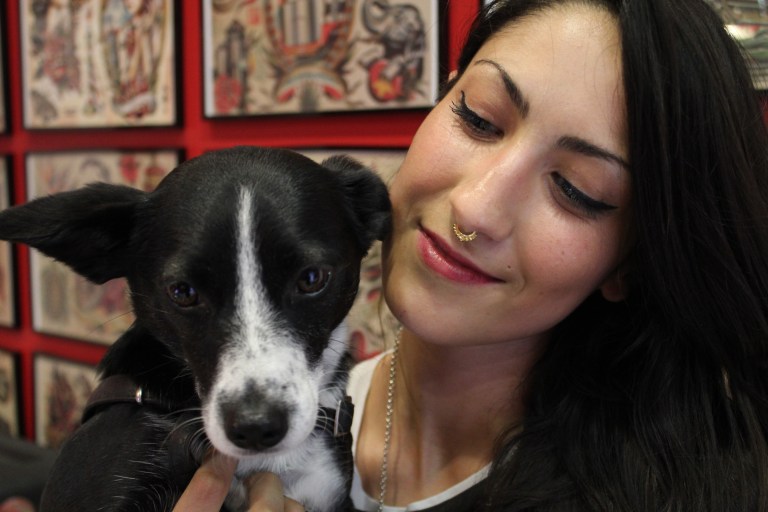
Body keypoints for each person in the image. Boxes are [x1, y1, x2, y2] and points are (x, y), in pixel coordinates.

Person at [175, 0, 768, 510]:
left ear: (630, 264)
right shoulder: (241, 426)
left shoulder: (680, 489)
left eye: (576, 189)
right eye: (478, 118)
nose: (475, 210)